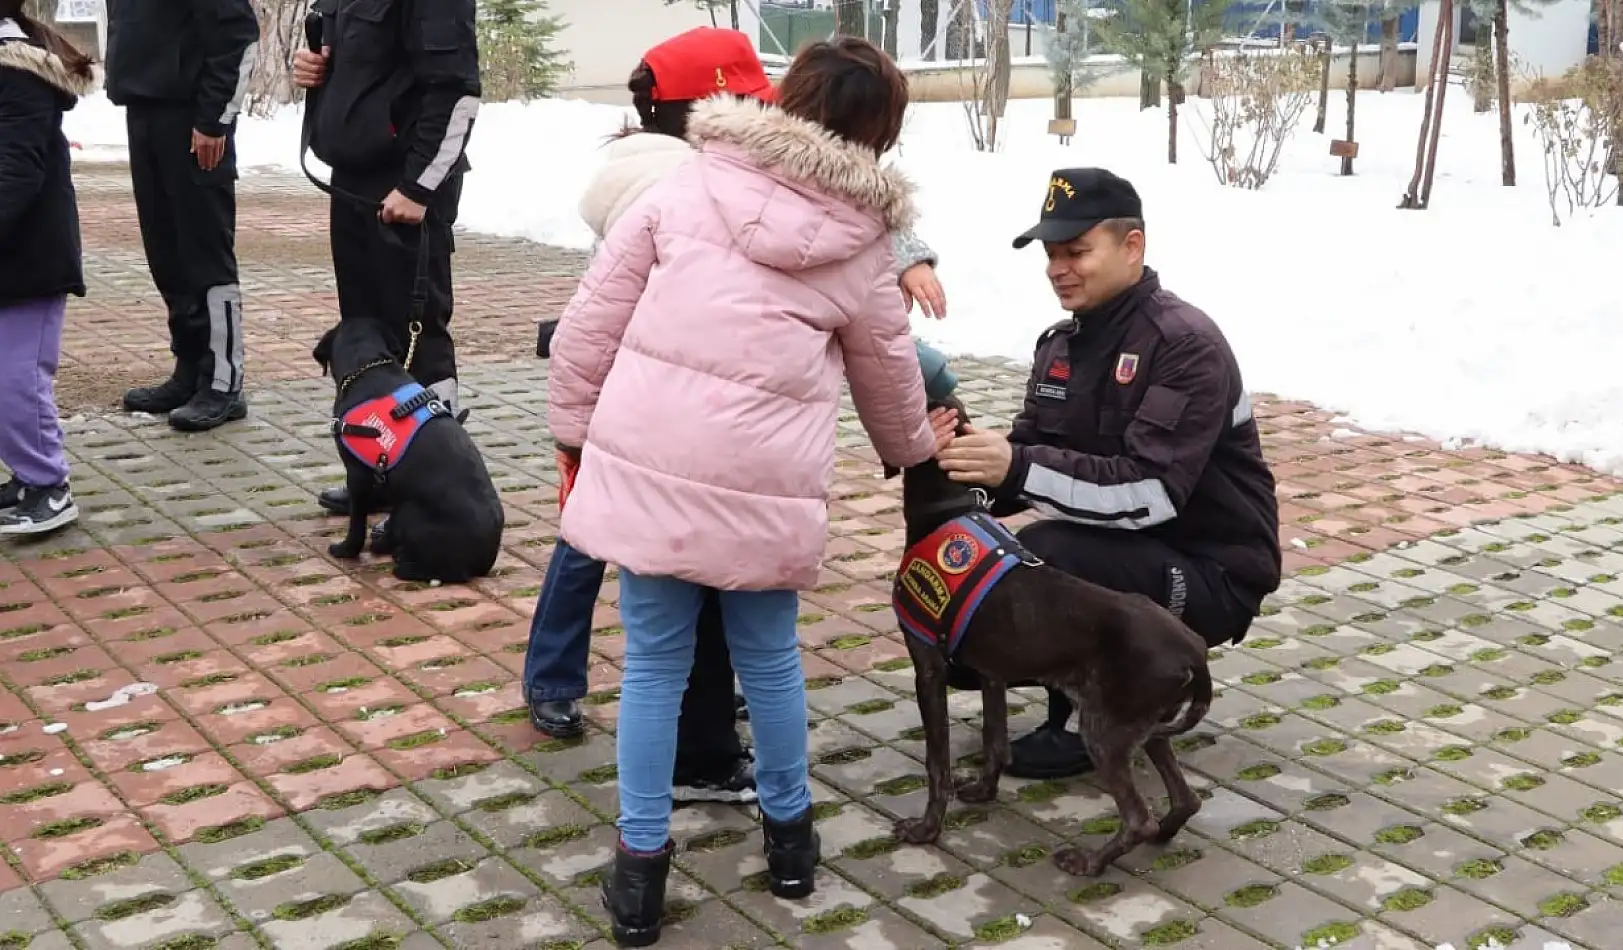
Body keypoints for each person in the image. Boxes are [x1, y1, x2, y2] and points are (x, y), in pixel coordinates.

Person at [548, 38, 956, 948]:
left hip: (649, 459)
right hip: (767, 484)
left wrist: (573, 432)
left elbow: (589, 323)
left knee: (653, 667)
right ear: (877, 137)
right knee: (769, 661)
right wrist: (917, 453)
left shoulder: (682, 186)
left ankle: (641, 872)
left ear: (783, 99)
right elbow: (891, 383)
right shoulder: (864, 241)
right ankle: (792, 845)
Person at [935, 168, 1281, 780]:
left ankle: (1095, 711)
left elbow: (1149, 493)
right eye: (1050, 255)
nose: (1058, 268)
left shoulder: (1185, 344)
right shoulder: (1062, 345)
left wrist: (1015, 467)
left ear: (1132, 247)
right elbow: (1030, 451)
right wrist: (961, 470)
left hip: (1209, 567)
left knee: (1045, 554)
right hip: (1128, 547)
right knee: (974, 571)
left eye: (1077, 251)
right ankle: (1082, 681)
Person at [292, 0, 480, 523]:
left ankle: (439, 479)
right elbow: (359, 73)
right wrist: (316, 74)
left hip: (407, 184)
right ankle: (379, 468)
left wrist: (419, 186)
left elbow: (458, 92)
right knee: (366, 336)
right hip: (353, 179)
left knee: (418, 335)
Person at [104, 0, 258, 432]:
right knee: (166, 252)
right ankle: (190, 369)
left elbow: (239, 35)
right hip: (145, 109)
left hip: (194, 118)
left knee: (205, 254)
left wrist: (214, 120)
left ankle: (225, 382)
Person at [0, 3, 91, 536]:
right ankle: (28, 476)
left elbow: (15, 172)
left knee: (15, 380)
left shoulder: (18, 72)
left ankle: (49, 484)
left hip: (28, 256)